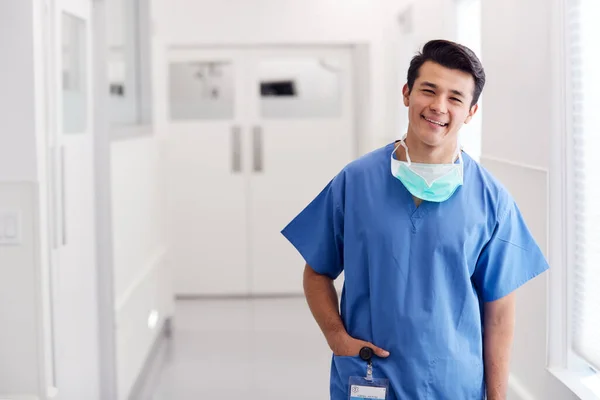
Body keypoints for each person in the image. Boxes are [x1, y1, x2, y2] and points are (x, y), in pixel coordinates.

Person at [280, 39, 549, 400]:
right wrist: (336, 338)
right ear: (407, 94)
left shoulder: (490, 199)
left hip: (453, 385)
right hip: (370, 378)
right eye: (428, 90)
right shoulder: (355, 181)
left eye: (455, 98)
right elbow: (316, 272)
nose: (439, 106)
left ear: (470, 112)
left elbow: (499, 314)